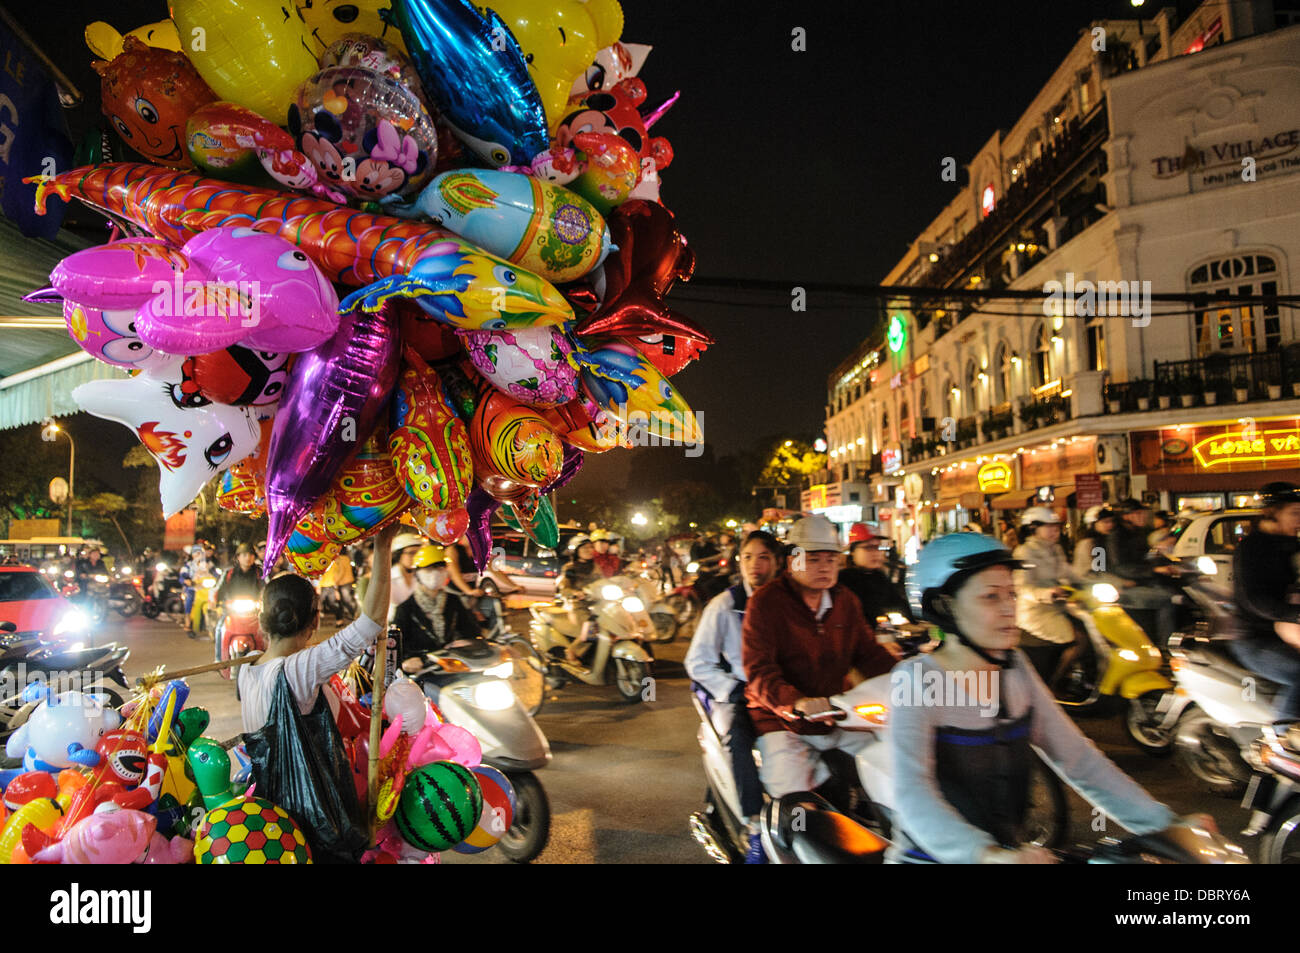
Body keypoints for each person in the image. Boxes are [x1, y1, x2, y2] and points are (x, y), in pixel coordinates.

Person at [889, 533, 1207, 864]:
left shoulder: (1015, 668)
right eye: (990, 597)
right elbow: (913, 793)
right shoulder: (915, 678)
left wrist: (1168, 826)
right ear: (944, 606)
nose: (1009, 607)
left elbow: (1079, 760)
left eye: (1011, 594)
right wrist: (984, 856)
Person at [742, 515, 901, 808]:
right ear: (792, 561)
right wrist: (796, 703)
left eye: (831, 558)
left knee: (891, 769)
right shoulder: (765, 603)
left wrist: (910, 676)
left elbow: (869, 654)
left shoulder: (846, 601)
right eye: (813, 559)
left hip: (835, 715)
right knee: (795, 802)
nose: (825, 566)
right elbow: (759, 670)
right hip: (781, 722)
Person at [240, 522, 399, 731]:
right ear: (315, 621)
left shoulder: (246, 666)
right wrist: (383, 545)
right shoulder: (298, 670)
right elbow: (371, 622)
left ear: (262, 620)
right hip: (294, 765)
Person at [684, 530, 782, 863]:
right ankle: (754, 827)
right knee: (739, 738)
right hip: (734, 694)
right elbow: (697, 662)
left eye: (764, 557)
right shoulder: (725, 605)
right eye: (749, 557)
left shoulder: (789, 602)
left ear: (777, 562)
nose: (756, 565)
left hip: (779, 692)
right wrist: (734, 689)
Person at [1230, 482, 1300, 721]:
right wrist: (1294, 614)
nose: (1299, 520)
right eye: (1294, 513)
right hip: (1255, 639)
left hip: (1287, 631)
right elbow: (1254, 600)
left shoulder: (1290, 545)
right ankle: (1285, 741)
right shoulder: (1252, 549)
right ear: (1272, 513)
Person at [1013, 506, 1089, 698]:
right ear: (1033, 529)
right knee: (1078, 639)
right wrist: (1047, 593)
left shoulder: (1055, 550)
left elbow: (1070, 574)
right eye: (1049, 527)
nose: (1055, 531)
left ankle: (1083, 677)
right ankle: (1054, 684)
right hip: (1036, 611)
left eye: (1056, 527)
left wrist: (1099, 582)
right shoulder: (1025, 553)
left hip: (1060, 606)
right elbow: (1023, 587)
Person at [393, 544, 481, 673]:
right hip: (423, 672)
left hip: (453, 666)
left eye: (440, 568)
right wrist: (409, 660)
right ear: (417, 573)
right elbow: (396, 646)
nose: (435, 573)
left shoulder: (454, 601)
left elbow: (471, 631)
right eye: (429, 569)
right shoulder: (406, 608)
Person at [1106, 499, 1176, 646]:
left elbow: (1146, 557)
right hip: (1127, 586)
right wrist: (1154, 570)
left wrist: (1161, 554)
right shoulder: (1115, 537)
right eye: (1138, 513)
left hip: (1143, 580)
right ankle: (1166, 647)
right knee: (1167, 599)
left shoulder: (1139, 533)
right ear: (1126, 516)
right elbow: (1119, 567)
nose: (1143, 516)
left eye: (1143, 513)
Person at [837, 523, 913, 623]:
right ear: (853, 551)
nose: (876, 553)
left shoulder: (879, 577)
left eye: (878, 547)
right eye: (868, 547)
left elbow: (899, 604)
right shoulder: (843, 581)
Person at [213, 543, 264, 661]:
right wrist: (215, 602)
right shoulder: (228, 573)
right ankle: (218, 659)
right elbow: (218, 589)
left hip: (255, 612)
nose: (248, 558)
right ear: (238, 557)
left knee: (267, 630)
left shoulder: (260, 573)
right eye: (244, 555)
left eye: (251, 555)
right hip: (231, 611)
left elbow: (266, 588)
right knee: (220, 629)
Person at [557, 536, 602, 663]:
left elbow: (603, 583)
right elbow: (564, 588)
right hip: (579, 605)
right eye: (584, 548)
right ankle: (572, 651)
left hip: (598, 604)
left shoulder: (596, 567)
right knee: (593, 629)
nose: (589, 550)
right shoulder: (570, 568)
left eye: (590, 547)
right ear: (576, 551)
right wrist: (575, 593)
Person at [1073, 506, 1117, 578]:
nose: (1110, 525)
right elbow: (1091, 571)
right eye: (1105, 522)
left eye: (1112, 521)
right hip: (1088, 583)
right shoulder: (1088, 544)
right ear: (1093, 524)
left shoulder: (1110, 540)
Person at [389, 533, 424, 619]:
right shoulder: (388, 579)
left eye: (419, 553)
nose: (416, 557)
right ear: (398, 555)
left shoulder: (422, 576)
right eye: (412, 553)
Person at [319, 549, 357, 621]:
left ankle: (351, 614)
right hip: (342, 582)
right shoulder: (345, 558)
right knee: (339, 601)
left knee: (344, 600)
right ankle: (345, 616)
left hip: (339, 582)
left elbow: (340, 571)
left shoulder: (339, 559)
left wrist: (336, 582)